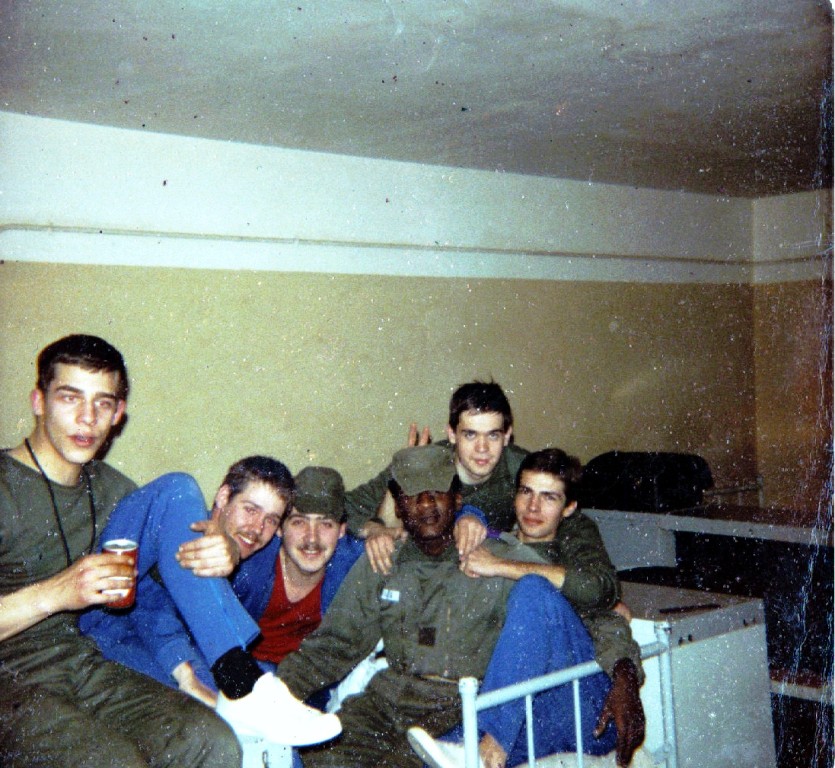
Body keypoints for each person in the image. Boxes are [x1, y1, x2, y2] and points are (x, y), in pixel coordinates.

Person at [0, 334, 241, 768]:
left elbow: (157, 594)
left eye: (103, 403)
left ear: (118, 414)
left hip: (84, 664)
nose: (87, 418)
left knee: (211, 741)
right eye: (70, 397)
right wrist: (57, 593)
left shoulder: (115, 493)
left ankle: (246, 682)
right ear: (38, 401)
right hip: (9, 683)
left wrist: (228, 554)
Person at [274, 444, 589, 768]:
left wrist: (618, 663)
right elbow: (333, 645)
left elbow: (562, 610)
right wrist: (270, 695)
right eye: (412, 495)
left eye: (437, 492)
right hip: (387, 699)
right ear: (398, 506)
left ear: (458, 499)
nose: (425, 503)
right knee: (317, 758)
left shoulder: (498, 558)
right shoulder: (383, 561)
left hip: (458, 707)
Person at [408, 448, 645, 768]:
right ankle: (481, 743)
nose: (533, 507)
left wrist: (626, 675)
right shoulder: (491, 544)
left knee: (533, 590)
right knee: (430, 757)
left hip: (587, 711)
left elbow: (608, 616)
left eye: (549, 497)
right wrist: (469, 516)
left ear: (569, 507)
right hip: (528, 713)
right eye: (526, 492)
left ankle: (491, 742)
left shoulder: (570, 554)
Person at [78, 459, 343, 746]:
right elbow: (144, 604)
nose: (257, 528)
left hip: (168, 648)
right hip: (109, 626)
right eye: (250, 509)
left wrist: (187, 675)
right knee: (180, 486)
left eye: (270, 520)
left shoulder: (258, 555)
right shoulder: (176, 519)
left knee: (268, 738)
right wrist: (185, 669)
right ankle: (245, 680)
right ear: (223, 496)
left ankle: (250, 685)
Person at [345, 380, 527, 539]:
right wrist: (372, 528)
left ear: (506, 436)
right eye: (470, 435)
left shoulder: (522, 469)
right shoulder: (422, 461)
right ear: (452, 434)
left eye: (493, 435)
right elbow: (344, 507)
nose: (482, 448)